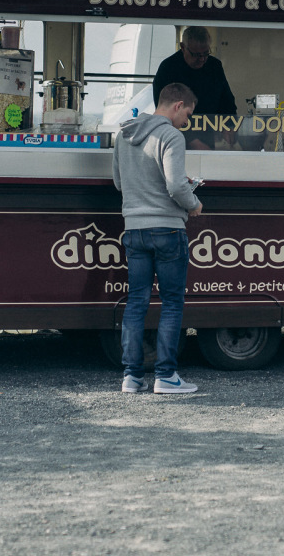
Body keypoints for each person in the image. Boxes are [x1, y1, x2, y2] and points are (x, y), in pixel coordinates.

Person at [112, 82, 203, 394]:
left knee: (136, 301)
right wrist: (194, 203)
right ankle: (165, 376)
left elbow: (119, 182)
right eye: (187, 114)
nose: (186, 122)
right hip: (167, 229)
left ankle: (132, 377)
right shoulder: (171, 136)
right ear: (177, 105)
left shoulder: (124, 135)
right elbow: (176, 187)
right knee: (172, 302)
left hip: (134, 228)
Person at [152, 26, 237, 150]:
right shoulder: (168, 68)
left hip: (208, 133)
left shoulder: (214, 66)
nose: (202, 59)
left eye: (206, 53)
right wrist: (192, 141)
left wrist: (229, 125)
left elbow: (227, 100)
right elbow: (164, 112)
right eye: (196, 55)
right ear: (183, 47)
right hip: (175, 138)